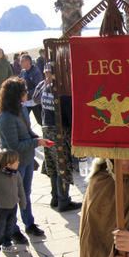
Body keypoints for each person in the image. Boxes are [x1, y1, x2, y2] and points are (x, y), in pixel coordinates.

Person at [0, 77, 53, 241]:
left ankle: (29, 224)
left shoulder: (21, 109)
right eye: (24, 90)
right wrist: (36, 142)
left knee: (25, 194)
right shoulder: (5, 118)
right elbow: (14, 145)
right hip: (14, 163)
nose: (27, 93)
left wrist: (38, 138)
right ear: (16, 94)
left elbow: (27, 131)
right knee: (14, 197)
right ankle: (13, 229)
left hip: (26, 160)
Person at [39, 63, 80, 212]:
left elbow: (36, 99)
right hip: (60, 132)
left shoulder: (44, 86)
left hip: (47, 129)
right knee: (62, 165)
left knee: (53, 165)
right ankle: (63, 200)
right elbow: (70, 117)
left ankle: (55, 197)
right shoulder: (62, 90)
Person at [19, 54, 44, 125]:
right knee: (23, 121)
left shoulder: (36, 72)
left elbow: (39, 88)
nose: (20, 63)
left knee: (41, 121)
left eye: (22, 61)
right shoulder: (22, 72)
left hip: (36, 101)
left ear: (28, 61)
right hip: (25, 102)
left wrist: (27, 94)